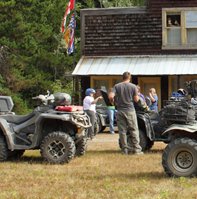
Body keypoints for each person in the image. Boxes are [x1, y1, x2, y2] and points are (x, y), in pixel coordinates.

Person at [114, 72, 143, 155]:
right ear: (129, 78)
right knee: (133, 129)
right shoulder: (133, 86)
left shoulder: (117, 86)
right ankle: (137, 150)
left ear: (122, 77)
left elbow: (111, 96)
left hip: (120, 110)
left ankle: (124, 150)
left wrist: (114, 102)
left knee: (122, 131)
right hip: (130, 110)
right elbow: (136, 100)